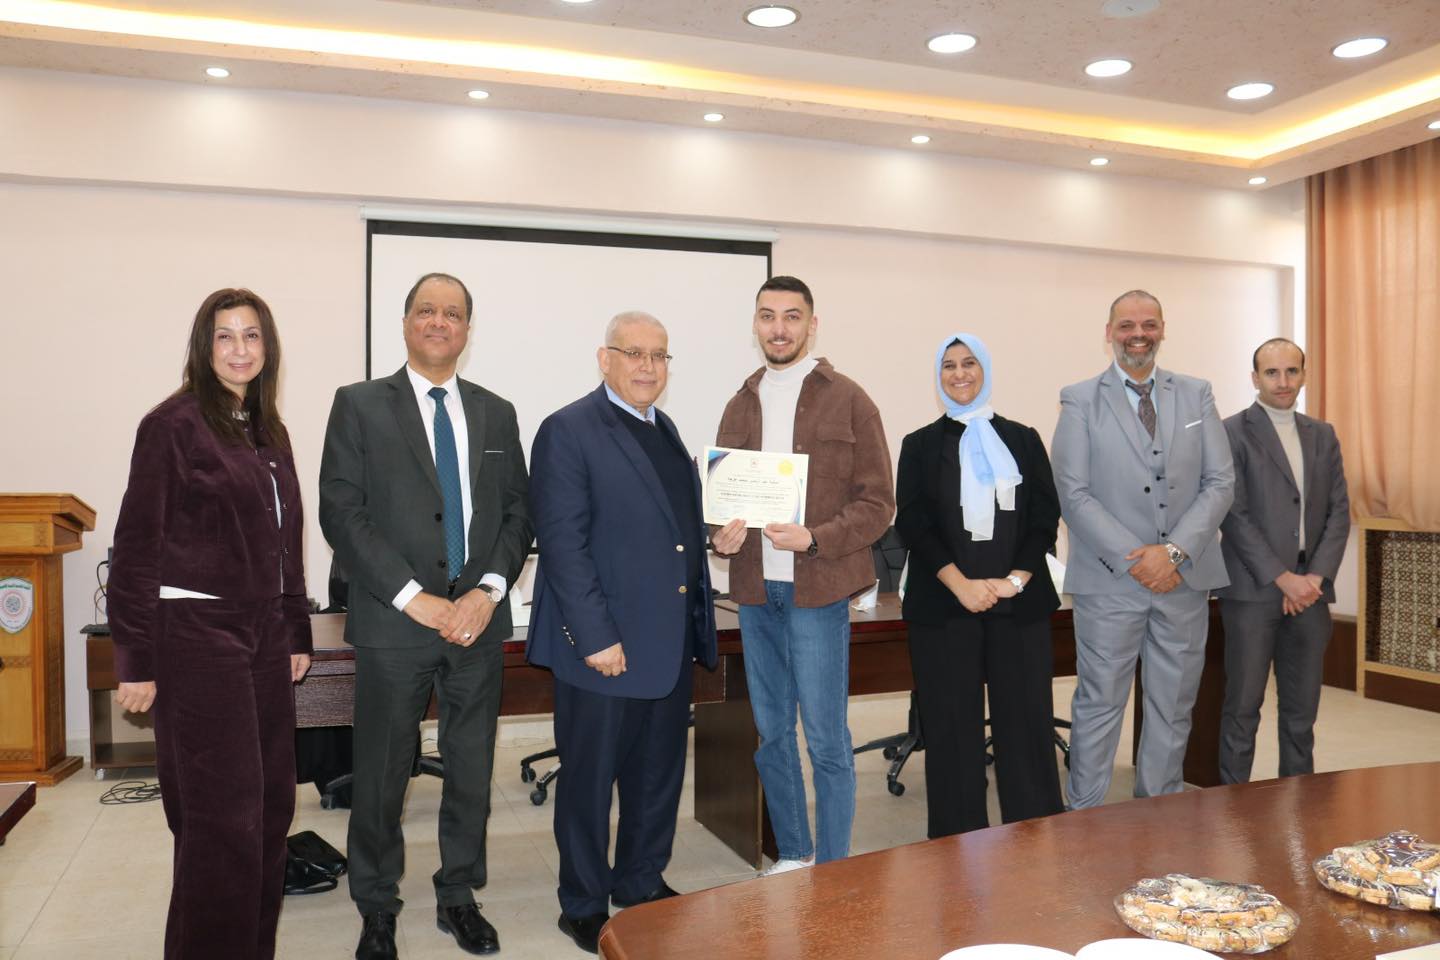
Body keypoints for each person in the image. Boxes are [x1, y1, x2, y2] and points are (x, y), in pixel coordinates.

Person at [319, 273, 532, 960]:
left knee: (470, 768)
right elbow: (341, 513)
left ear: (468, 328)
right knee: (382, 774)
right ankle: (376, 905)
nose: (440, 322)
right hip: (394, 623)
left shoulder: (498, 412)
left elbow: (518, 512)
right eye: (426, 311)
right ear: (406, 322)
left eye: (453, 313)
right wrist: (414, 596)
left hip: (477, 623)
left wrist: (487, 591)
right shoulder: (358, 405)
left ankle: (458, 895)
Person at [108, 288, 313, 960]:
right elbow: (136, 547)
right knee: (221, 824)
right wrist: (135, 658)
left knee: (271, 812)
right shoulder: (172, 424)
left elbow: (286, 542)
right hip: (196, 633)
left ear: (267, 347)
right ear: (204, 346)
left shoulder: (269, 430)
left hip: (264, 634)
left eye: (252, 336)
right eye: (225, 336)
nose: (239, 349)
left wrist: (295, 627)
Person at [527, 311, 722, 954]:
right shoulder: (568, 429)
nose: (647, 366)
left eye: (659, 355)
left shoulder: (664, 429)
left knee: (656, 776)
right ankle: (582, 903)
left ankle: (639, 880)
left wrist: (714, 538)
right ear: (604, 358)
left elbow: (670, 532)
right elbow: (563, 544)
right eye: (633, 352)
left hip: (666, 643)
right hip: (604, 647)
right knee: (590, 782)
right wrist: (594, 637)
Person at [711, 275, 894, 872]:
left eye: (792, 316)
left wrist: (816, 537)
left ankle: (834, 867)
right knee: (771, 734)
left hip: (818, 591)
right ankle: (794, 853)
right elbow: (722, 503)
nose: (779, 328)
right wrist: (720, 536)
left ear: (812, 325)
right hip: (755, 591)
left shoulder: (850, 399)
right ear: (755, 324)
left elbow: (878, 504)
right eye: (768, 316)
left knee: (826, 739)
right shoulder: (739, 403)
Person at [1050, 289, 1234, 809]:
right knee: (1100, 702)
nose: (1138, 335)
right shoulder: (1079, 399)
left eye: (1149, 324)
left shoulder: (1197, 394)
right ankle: (1084, 814)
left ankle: (1160, 811)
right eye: (1127, 325)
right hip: (1110, 581)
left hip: (1183, 580)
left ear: (1162, 330)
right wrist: (1141, 558)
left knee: (1173, 705)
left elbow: (1220, 481)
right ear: (1109, 333)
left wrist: (1172, 553)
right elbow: (1073, 493)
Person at [893, 333, 1064, 837]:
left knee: (1027, 726)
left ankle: (1033, 840)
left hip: (1018, 603)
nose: (959, 373)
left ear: (985, 370)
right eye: (948, 366)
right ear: (938, 376)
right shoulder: (919, 445)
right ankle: (958, 843)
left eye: (969, 363)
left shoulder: (1023, 438)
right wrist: (961, 584)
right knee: (951, 730)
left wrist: (1014, 580)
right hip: (945, 606)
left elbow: (1044, 517)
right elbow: (914, 524)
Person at [1216, 338, 1350, 783]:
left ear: (1304, 375)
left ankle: (1299, 800)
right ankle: (1233, 805)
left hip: (1312, 593)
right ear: (1255, 378)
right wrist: (1282, 577)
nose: (1283, 381)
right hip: (1253, 591)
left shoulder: (1322, 435)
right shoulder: (1231, 432)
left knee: (1301, 712)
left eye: (1292, 371)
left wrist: (1315, 577)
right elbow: (1233, 514)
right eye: (1272, 372)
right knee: (1242, 708)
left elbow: (1338, 512)